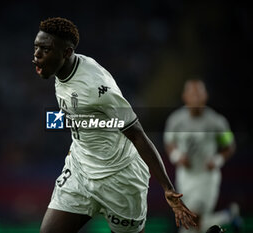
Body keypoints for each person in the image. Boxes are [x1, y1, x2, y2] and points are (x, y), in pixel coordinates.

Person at [33, 17, 197, 233]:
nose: (36, 55)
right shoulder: (61, 69)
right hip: (80, 172)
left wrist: (167, 188)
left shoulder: (97, 87)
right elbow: (80, 116)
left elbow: (137, 134)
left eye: (45, 49)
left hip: (121, 178)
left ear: (66, 52)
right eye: (36, 47)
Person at [163, 79, 240, 233]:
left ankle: (228, 217)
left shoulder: (217, 122)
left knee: (194, 216)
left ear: (206, 96)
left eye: (199, 93)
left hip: (207, 177)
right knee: (189, 224)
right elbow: (169, 143)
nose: (196, 97)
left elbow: (229, 146)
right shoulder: (176, 121)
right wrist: (177, 156)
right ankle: (229, 217)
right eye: (192, 93)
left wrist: (217, 159)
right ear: (185, 96)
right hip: (185, 176)